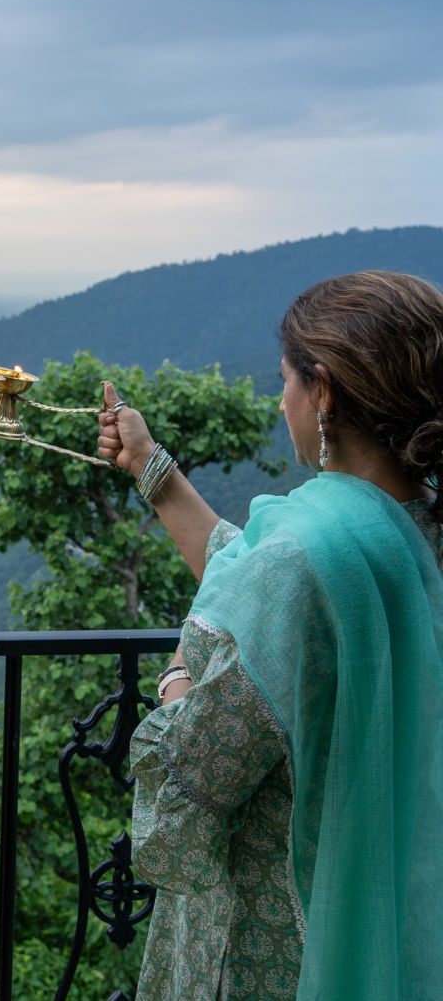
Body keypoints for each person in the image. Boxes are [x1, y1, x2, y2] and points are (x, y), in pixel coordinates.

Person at [96, 270, 443, 1001]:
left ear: (324, 392)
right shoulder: (415, 532)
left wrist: (180, 672)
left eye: (285, 380)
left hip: (282, 936)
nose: (278, 399)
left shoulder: (300, 559)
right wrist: (150, 467)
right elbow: (260, 584)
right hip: (404, 908)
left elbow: (185, 790)